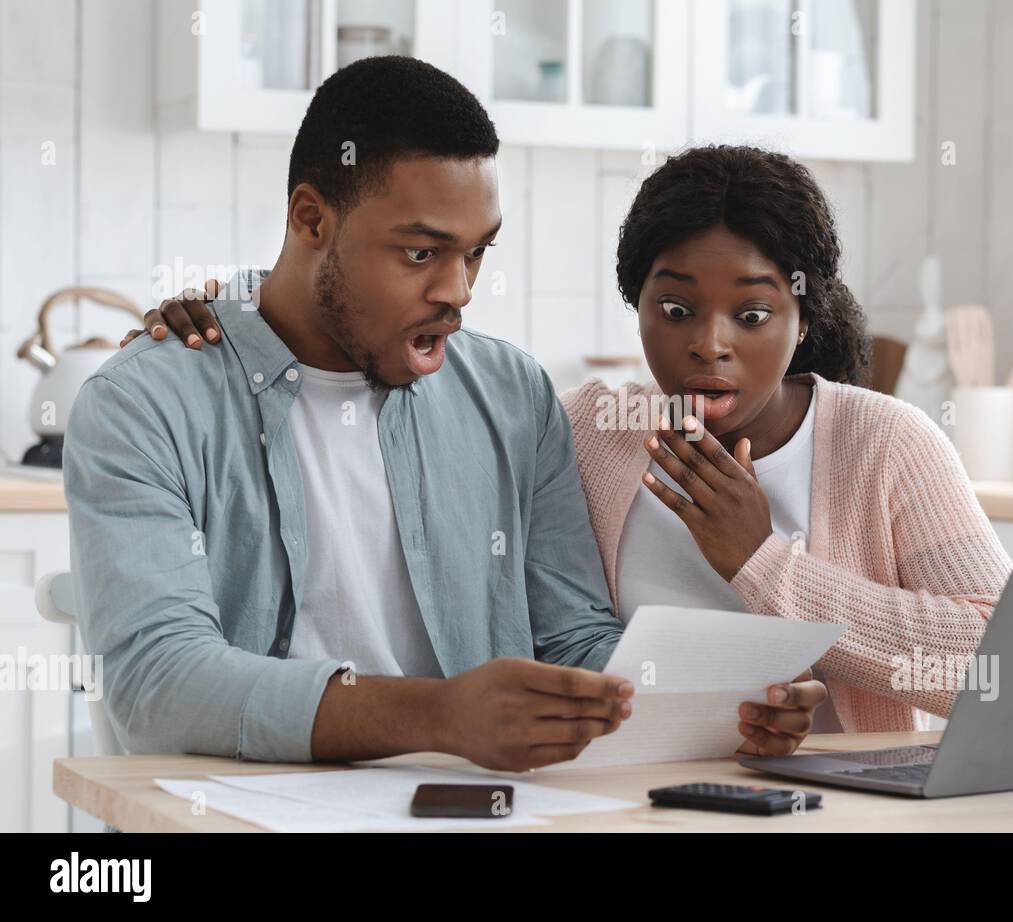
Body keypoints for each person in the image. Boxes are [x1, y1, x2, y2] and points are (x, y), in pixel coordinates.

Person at [69, 57, 824, 771]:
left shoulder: (510, 394)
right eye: (422, 254)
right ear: (310, 220)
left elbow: (572, 638)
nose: (458, 291)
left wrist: (732, 706)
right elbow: (158, 683)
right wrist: (438, 716)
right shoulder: (147, 404)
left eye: (476, 254)